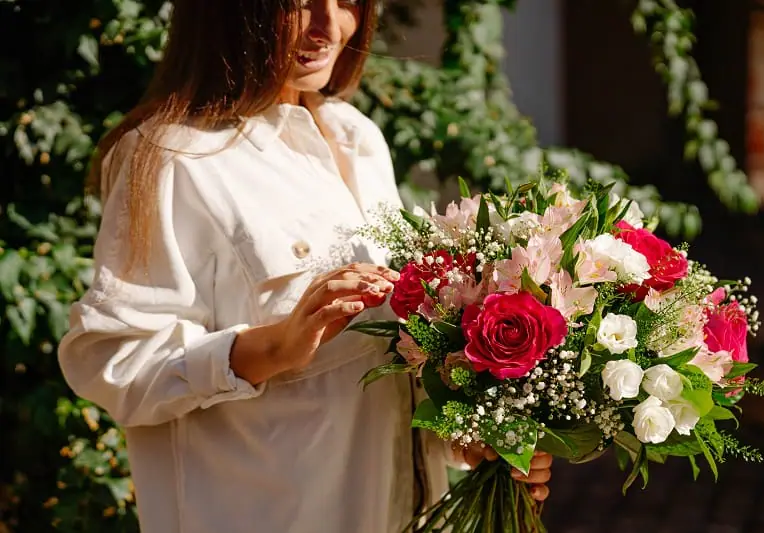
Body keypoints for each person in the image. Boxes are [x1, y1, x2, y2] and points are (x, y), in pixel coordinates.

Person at [57, 1, 553, 532]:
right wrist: (270, 347)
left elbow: (384, 361)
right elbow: (112, 361)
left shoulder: (357, 139)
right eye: (297, 3)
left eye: (344, 2)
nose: (328, 28)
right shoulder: (171, 157)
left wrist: (466, 433)